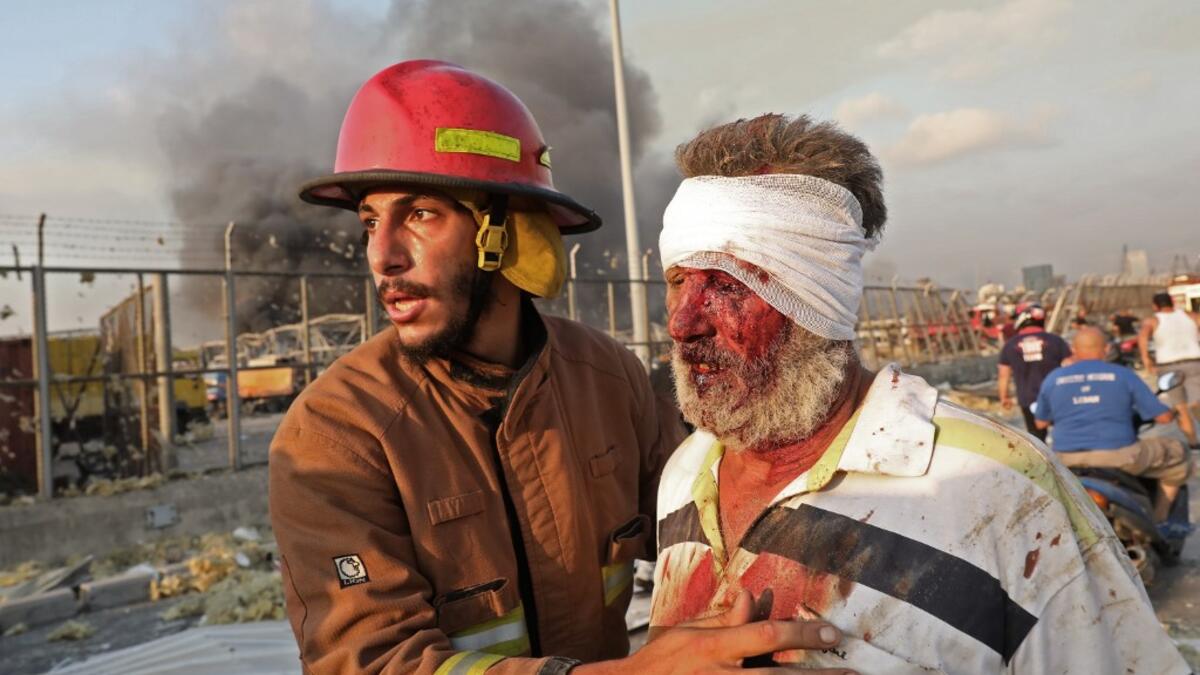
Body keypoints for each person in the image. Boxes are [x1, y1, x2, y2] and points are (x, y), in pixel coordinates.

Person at [270, 61, 846, 675]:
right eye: (369, 222)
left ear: (506, 233)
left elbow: (707, 533)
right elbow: (374, 663)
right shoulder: (336, 434)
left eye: (419, 215)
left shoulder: (607, 379)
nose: (381, 256)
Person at [648, 113, 1187, 673]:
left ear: (819, 300)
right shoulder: (687, 472)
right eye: (677, 281)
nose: (683, 323)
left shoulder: (998, 491)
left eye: (729, 285)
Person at [1038, 327, 1193, 523]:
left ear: (1073, 350)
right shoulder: (1122, 374)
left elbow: (1040, 421)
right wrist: (1171, 413)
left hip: (1066, 459)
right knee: (1179, 453)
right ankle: (1160, 522)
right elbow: (1163, 417)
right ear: (1106, 348)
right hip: (1120, 456)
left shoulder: (1053, 378)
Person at [997, 302, 1070, 442]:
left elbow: (1003, 375)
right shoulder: (1056, 341)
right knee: (1064, 435)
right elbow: (1071, 367)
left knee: (1037, 441)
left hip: (1027, 399)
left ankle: (1044, 464)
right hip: (1057, 397)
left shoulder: (1010, 345)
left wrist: (1003, 397)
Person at [1139, 292, 1200, 446]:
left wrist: (1146, 359)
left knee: (1180, 407)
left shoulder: (1154, 320)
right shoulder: (1190, 316)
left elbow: (1143, 336)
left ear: (1155, 306)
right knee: (1196, 402)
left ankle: (1193, 443)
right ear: (1172, 302)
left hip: (1168, 367)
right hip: (1194, 363)